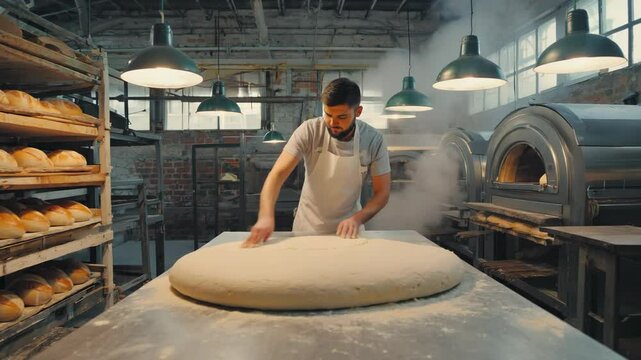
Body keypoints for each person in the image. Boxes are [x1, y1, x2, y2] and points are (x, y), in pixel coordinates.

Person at [242, 77, 391, 247]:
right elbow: (277, 175)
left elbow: (382, 193)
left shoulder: (373, 140)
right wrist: (265, 217)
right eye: (328, 115)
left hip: (349, 232)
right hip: (307, 230)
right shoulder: (310, 130)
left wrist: (357, 219)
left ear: (358, 112)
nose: (333, 123)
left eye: (342, 117)